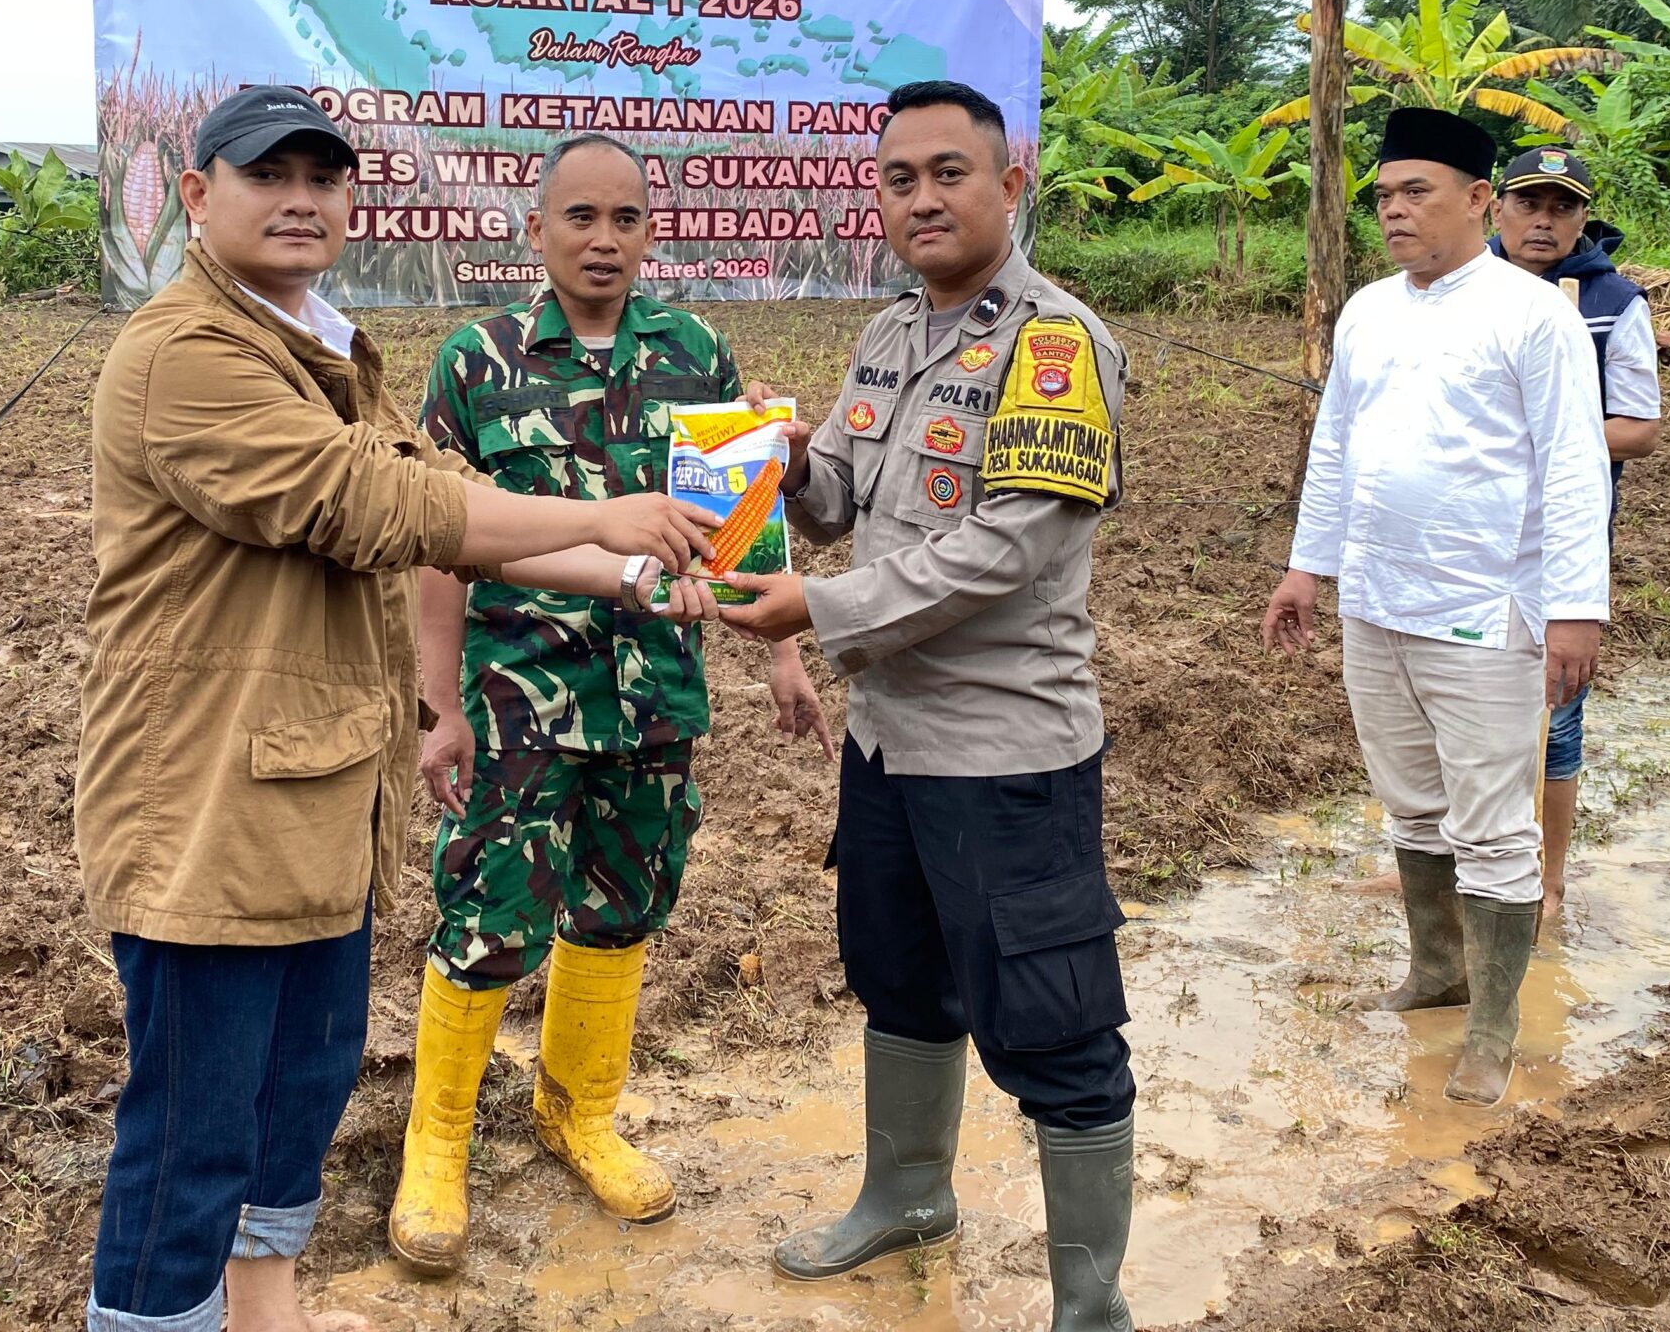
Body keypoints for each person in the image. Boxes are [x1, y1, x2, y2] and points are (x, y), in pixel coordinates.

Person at [81, 88, 721, 1332]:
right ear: (199, 196)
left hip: (314, 791)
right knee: (192, 1132)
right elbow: (373, 507)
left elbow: (438, 489)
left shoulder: (319, 348)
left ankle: (265, 1311)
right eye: (271, 177)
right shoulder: (187, 354)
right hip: (209, 806)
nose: (303, 198)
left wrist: (639, 572)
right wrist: (598, 516)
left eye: (326, 177)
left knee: (299, 1094)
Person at [715, 81, 1138, 1330]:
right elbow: (839, 497)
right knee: (900, 980)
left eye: (948, 173)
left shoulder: (1052, 346)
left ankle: (1089, 1303)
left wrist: (817, 615)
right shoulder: (892, 335)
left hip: (1006, 753)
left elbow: (1006, 550)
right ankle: (907, 1194)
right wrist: (790, 467)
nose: (921, 197)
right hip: (889, 745)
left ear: (1012, 186)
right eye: (898, 178)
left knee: (1053, 1026)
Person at [388, 133, 829, 1273]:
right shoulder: (476, 362)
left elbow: (742, 523)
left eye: (624, 219)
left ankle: (576, 1112)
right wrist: (437, 704)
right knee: (489, 916)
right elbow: (435, 546)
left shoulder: (694, 353)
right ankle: (435, 1143)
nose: (602, 239)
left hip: (655, 697)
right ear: (535, 231)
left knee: (624, 907)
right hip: (515, 699)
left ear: (650, 232)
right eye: (578, 217)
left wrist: (782, 658)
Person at [1262, 107, 1611, 1107]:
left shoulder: (1530, 313)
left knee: (1495, 825)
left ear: (1476, 201)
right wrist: (1306, 569)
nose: (1394, 212)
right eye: (1382, 197)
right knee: (1410, 799)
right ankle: (1436, 970)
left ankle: (1493, 1028)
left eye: (1416, 193)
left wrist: (1574, 608)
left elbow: (1576, 470)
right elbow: (1333, 449)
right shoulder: (1367, 310)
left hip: (1484, 608)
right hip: (1376, 600)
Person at [1488, 145, 1663, 927]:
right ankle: (1448, 864)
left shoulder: (1612, 302)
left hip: (1559, 538)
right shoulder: (1459, 289)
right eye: (1530, 203)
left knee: (1553, 711)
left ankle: (1548, 882)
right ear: (1496, 208)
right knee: (1456, 705)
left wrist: (1546, 436)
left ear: (1583, 218)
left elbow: (1638, 427)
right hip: (1463, 540)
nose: (1543, 220)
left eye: (1561, 207)